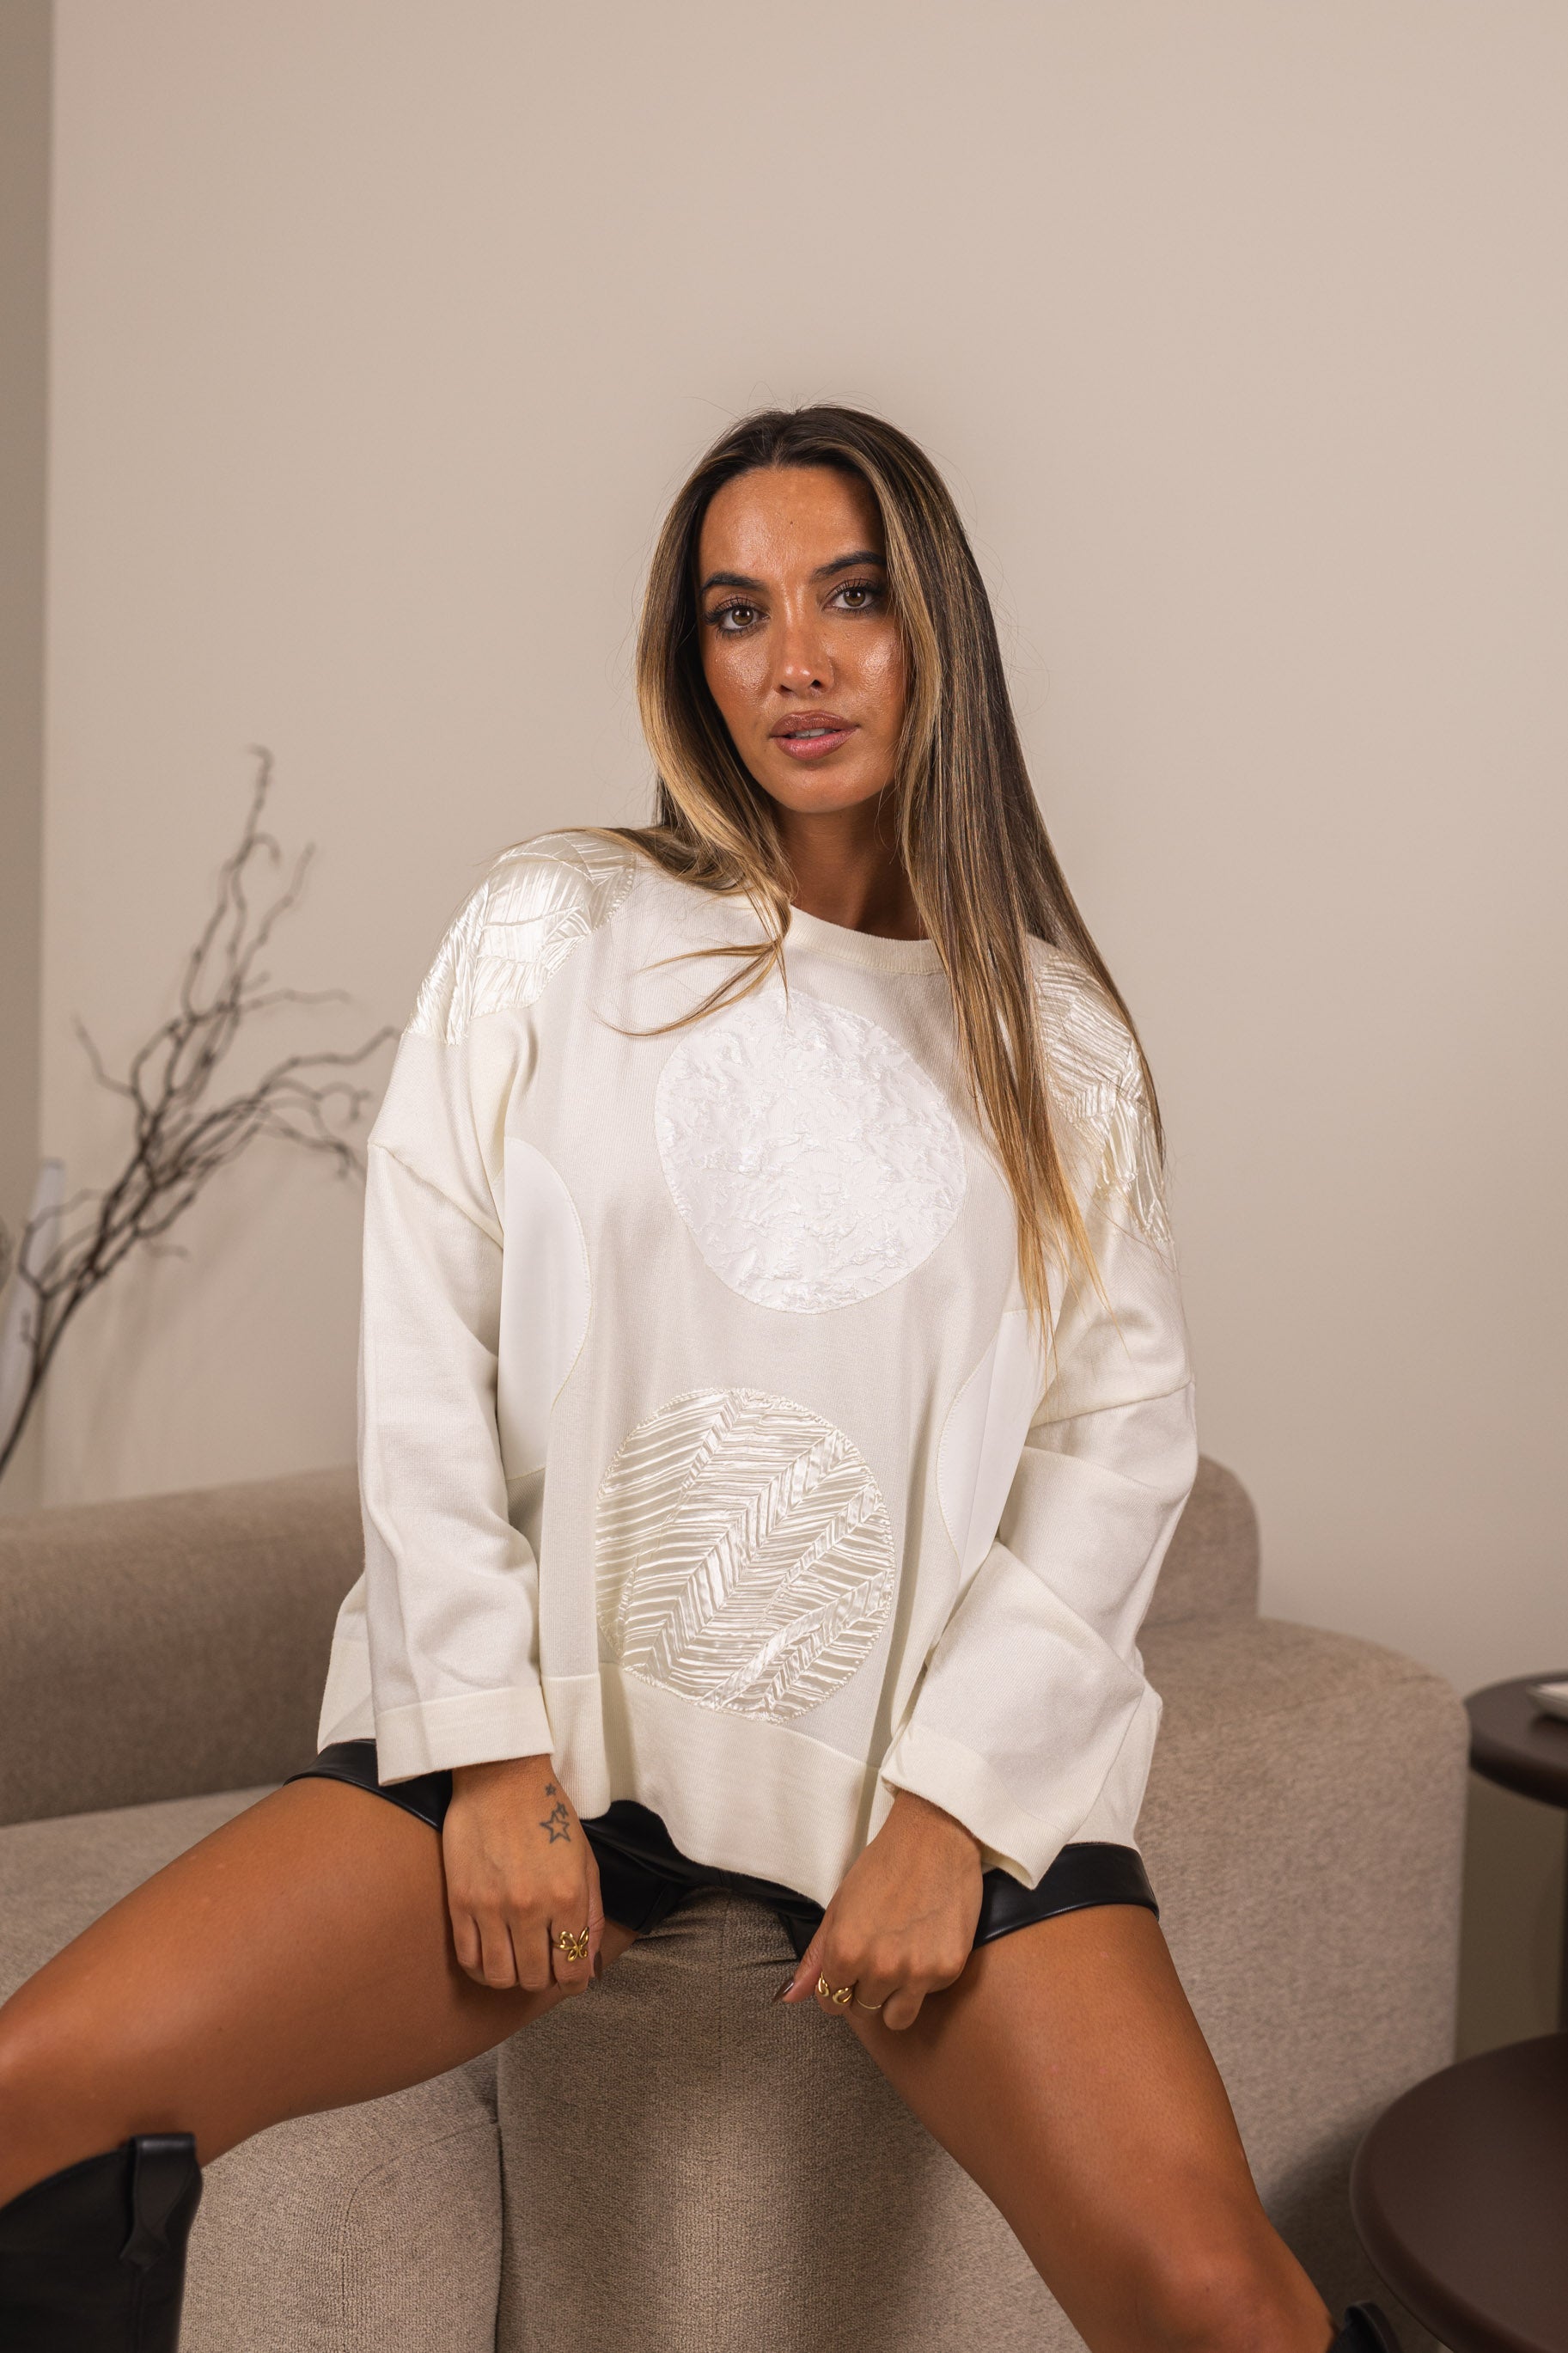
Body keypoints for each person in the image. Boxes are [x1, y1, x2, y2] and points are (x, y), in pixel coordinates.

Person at [0, 404, 1402, 2353]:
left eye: (850, 598)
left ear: (935, 631)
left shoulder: (1055, 1040)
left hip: (905, 1769)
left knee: (1221, 2300)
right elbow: (425, 1344)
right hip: (558, 1736)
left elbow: (1112, 1446)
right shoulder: (557, 926)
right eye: (739, 613)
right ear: (691, 658)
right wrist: (489, 1757)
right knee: (31, 2090)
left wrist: (952, 1812)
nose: (795, 661)